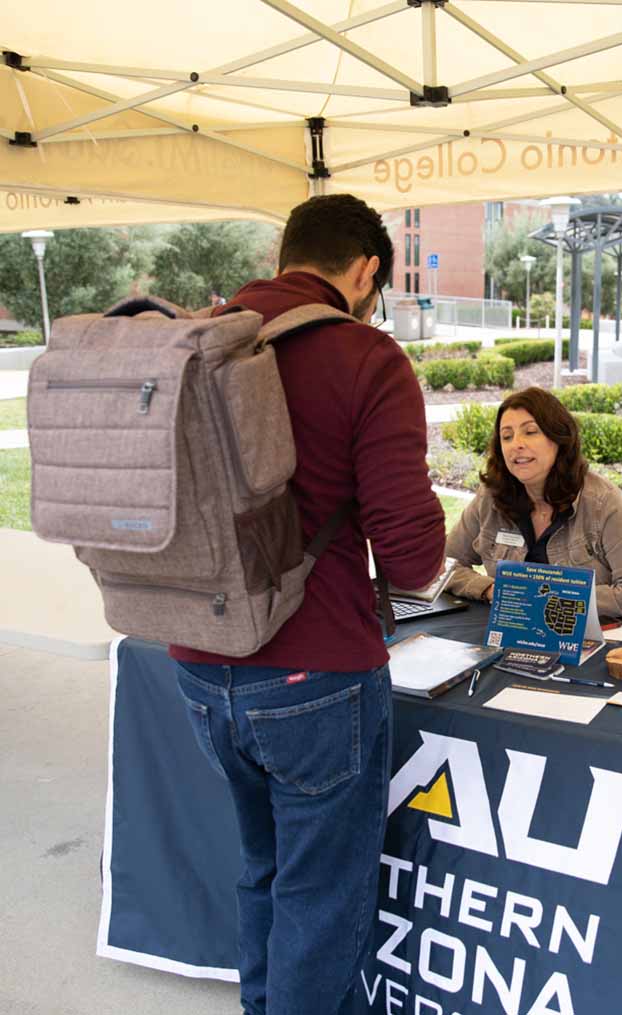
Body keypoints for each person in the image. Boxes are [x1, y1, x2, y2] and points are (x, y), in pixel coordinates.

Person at [169, 195, 446, 1015]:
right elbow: (413, 558)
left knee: (265, 870)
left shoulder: (198, 342)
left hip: (195, 661)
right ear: (366, 272)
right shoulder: (367, 357)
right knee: (323, 900)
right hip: (316, 673)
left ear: (285, 252)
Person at [446, 387, 622, 619]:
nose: (516, 444)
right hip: (509, 633)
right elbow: (444, 566)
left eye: (530, 432)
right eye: (507, 436)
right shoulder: (490, 497)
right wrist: (491, 589)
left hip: (584, 641)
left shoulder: (602, 501)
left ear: (558, 438)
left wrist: (543, 597)